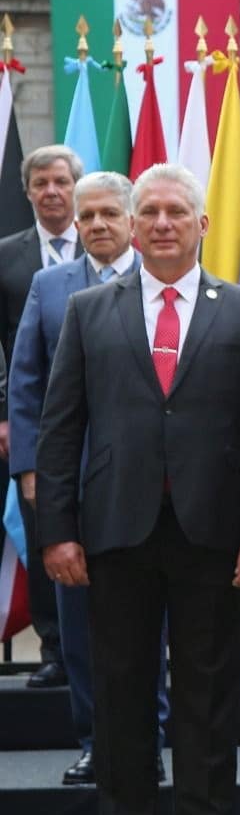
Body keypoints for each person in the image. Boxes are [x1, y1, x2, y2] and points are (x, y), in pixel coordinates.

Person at [38, 163, 240, 815]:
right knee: (119, 701)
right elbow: (60, 430)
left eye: (177, 211)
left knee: (208, 701)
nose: (162, 223)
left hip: (214, 535)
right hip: (115, 534)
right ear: (131, 223)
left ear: (202, 224)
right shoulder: (89, 309)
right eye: (148, 212)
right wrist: (57, 530)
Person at [9, 171, 171, 788]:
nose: (98, 225)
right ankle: (95, 742)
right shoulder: (50, 288)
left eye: (109, 214)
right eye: (88, 217)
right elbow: (27, 387)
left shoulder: (157, 283)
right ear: (75, 225)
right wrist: (30, 471)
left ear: (131, 221)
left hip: (145, 486)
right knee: (78, 626)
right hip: (71, 485)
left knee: (146, 622)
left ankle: (148, 741)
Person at [0, 144, 84, 689]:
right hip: (31, 425)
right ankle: (55, 649)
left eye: (61, 181)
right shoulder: (7, 255)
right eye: (41, 184)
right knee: (43, 535)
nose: (51, 192)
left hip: (104, 425)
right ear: (28, 192)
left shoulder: (108, 248)